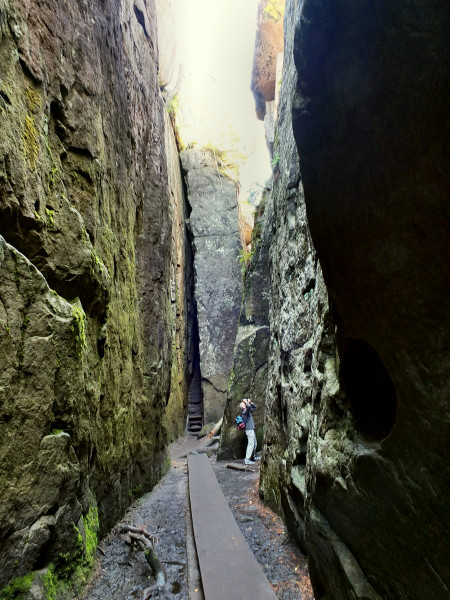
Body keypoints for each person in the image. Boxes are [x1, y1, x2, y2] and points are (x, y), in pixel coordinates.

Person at [239, 398, 258, 465]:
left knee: (255, 444)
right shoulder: (244, 412)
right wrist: (246, 401)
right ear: (244, 406)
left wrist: (250, 402)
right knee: (251, 444)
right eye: (245, 404)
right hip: (249, 431)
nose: (246, 404)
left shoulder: (248, 411)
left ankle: (253, 457)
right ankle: (247, 459)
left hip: (251, 429)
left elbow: (254, 407)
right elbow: (249, 407)